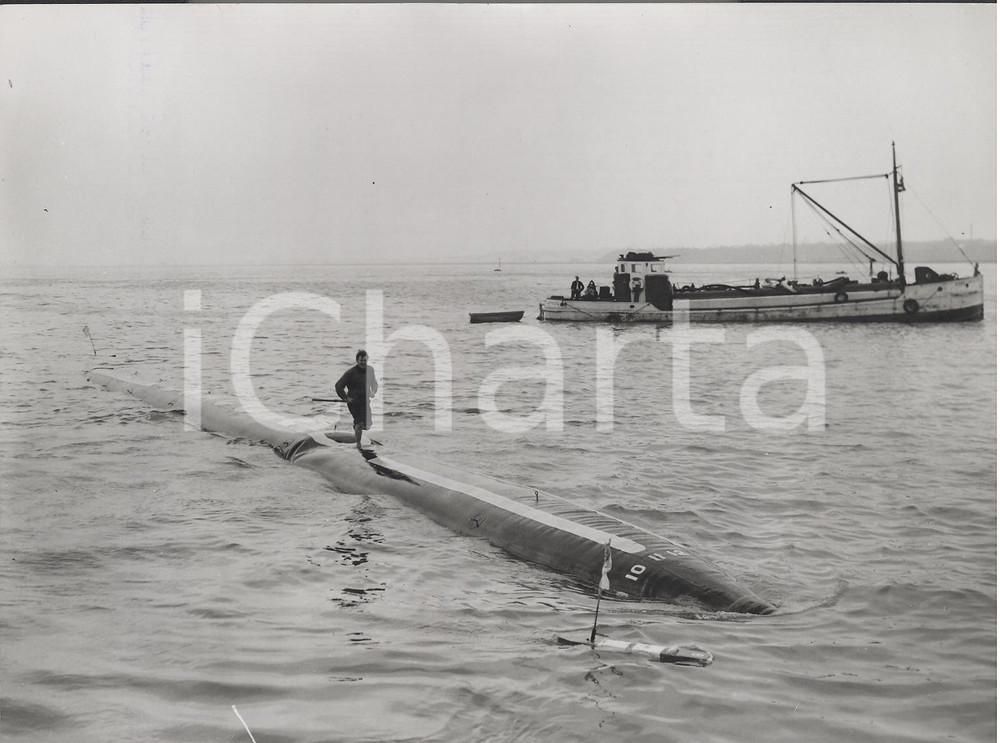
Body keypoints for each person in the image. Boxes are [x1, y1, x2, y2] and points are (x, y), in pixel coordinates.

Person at [335, 349, 378, 450]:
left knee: (367, 425)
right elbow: (338, 386)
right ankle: (358, 444)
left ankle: (356, 428)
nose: (363, 362)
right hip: (353, 402)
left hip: (365, 401)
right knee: (359, 422)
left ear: (367, 360)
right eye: (361, 360)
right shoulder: (350, 373)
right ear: (357, 360)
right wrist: (345, 398)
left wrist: (373, 391)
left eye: (365, 360)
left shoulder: (370, 370)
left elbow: (374, 384)